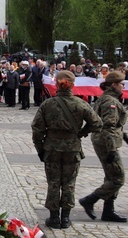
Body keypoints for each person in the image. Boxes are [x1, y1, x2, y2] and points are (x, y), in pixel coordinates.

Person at [31, 70, 102, 229]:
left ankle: (54, 218)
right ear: (72, 85)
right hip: (73, 149)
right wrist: (81, 132)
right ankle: (65, 218)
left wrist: (40, 149)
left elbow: (37, 130)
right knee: (69, 183)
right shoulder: (80, 104)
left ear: (56, 84)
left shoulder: (48, 104)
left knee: (54, 182)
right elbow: (97, 123)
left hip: (52, 149)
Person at [79, 71, 127, 223]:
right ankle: (89, 200)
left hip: (104, 141)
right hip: (106, 143)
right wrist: (112, 149)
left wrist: (124, 137)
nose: (123, 86)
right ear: (113, 85)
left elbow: (115, 125)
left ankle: (108, 211)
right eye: (121, 84)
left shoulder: (107, 98)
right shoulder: (110, 102)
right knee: (118, 178)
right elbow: (108, 126)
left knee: (111, 176)